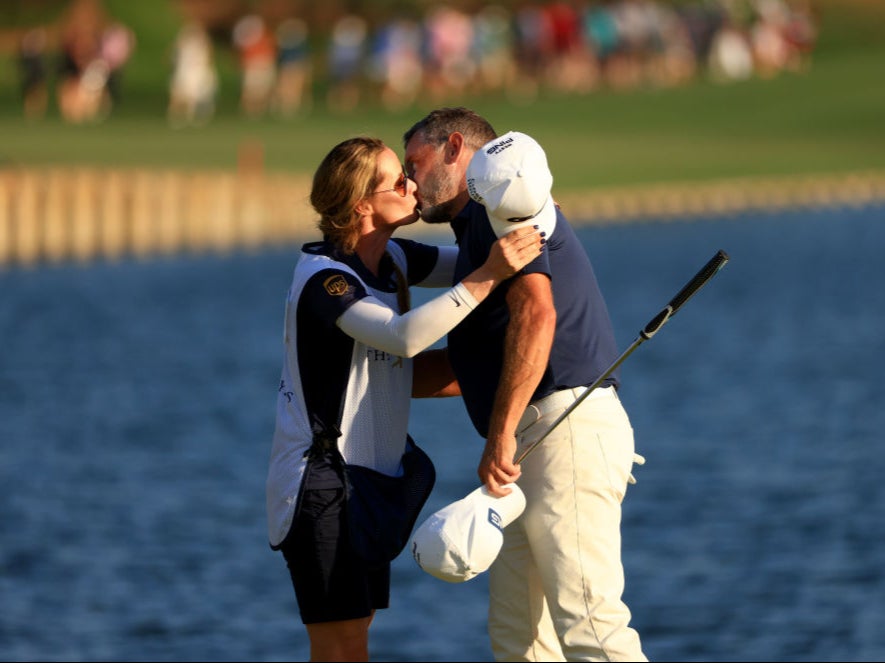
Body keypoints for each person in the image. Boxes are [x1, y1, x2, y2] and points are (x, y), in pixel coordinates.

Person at [266, 135, 544, 662]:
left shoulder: (392, 256)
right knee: (340, 644)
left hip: (371, 478)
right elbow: (404, 336)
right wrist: (489, 275)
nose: (412, 186)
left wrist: (528, 218)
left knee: (358, 634)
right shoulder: (325, 280)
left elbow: (468, 260)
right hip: (321, 485)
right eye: (398, 181)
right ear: (360, 204)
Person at [403, 108, 647, 661]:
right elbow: (478, 366)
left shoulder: (505, 196)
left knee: (589, 623)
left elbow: (537, 317)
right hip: (530, 441)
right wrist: (365, 378)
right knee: (520, 640)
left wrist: (500, 435)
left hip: (563, 430)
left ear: (455, 149)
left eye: (414, 162)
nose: (409, 179)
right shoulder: (475, 230)